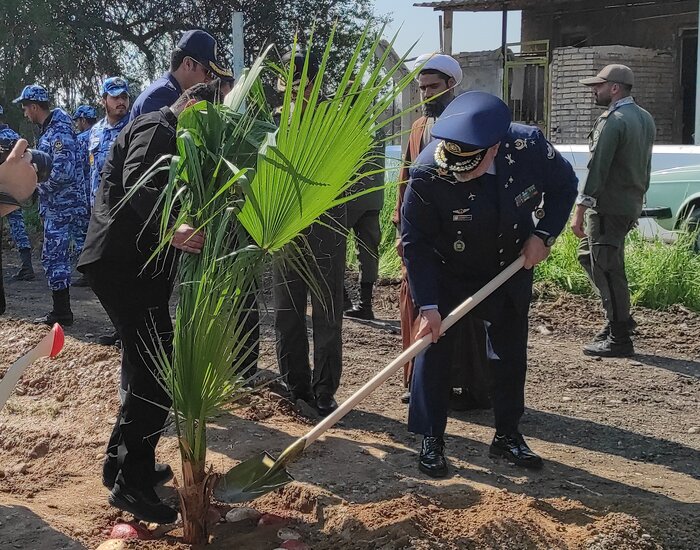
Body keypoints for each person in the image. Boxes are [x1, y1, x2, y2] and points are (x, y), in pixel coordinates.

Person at [401, 91, 577, 477]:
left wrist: (544, 235)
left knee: (510, 355)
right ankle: (432, 438)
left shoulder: (528, 147)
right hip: (450, 271)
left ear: (494, 148)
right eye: (455, 165)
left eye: (469, 166)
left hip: (509, 266)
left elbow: (565, 186)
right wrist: (427, 306)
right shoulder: (429, 171)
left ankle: (508, 435)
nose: (459, 174)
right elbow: (416, 243)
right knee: (433, 350)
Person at [77, 82, 219, 523]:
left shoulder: (165, 132)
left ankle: (119, 464)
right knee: (156, 371)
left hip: (131, 267)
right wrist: (171, 229)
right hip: (122, 264)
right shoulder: (159, 126)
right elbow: (137, 179)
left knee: (146, 365)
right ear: (194, 108)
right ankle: (132, 486)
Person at [394, 53, 489, 409]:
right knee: (414, 304)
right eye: (421, 88)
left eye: (433, 87)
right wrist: (401, 229)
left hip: (458, 235)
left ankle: (464, 386)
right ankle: (418, 380)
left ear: (452, 85)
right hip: (420, 234)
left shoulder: (467, 124)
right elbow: (405, 178)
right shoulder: (418, 127)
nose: (426, 94)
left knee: (460, 311)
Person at [272, 49, 347, 417]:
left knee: (326, 312)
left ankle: (324, 388)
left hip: (326, 224)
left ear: (315, 83)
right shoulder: (273, 121)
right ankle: (294, 384)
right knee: (286, 312)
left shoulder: (333, 119)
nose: (294, 93)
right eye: (287, 85)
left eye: (301, 85)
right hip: (285, 227)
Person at [573, 65, 655, 358]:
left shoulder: (613, 120)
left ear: (615, 88)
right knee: (589, 256)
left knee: (607, 268)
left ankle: (619, 334)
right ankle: (618, 315)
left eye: (599, 85)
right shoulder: (644, 118)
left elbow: (598, 168)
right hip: (628, 204)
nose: (594, 90)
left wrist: (580, 209)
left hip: (607, 207)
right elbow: (644, 167)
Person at [14, 84, 85, 326]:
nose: (25, 114)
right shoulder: (53, 131)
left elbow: (63, 173)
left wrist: (35, 186)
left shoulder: (58, 133)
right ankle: (61, 311)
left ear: (34, 107)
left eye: (25, 109)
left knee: (60, 259)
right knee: (59, 259)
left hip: (64, 207)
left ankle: (64, 313)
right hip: (60, 207)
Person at [131, 29, 232, 119]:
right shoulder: (163, 93)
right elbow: (153, 136)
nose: (208, 79)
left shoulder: (168, 89)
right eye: (207, 72)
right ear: (188, 64)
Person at [343, 140, 384, 320]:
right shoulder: (377, 130)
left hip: (347, 198)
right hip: (374, 198)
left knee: (333, 249)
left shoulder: (344, 123)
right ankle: (365, 305)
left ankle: (342, 300)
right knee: (369, 251)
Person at [0, 118, 35, 281]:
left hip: (6, 189)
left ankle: (27, 268)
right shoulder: (12, 135)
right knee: (17, 226)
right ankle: (27, 266)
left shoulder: (6, 136)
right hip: (12, 189)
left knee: (17, 226)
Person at [70, 104, 97, 286]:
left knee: (82, 235)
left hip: (82, 195)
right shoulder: (102, 134)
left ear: (83, 120)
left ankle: (88, 273)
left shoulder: (79, 140)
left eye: (78, 121)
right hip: (99, 194)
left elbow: (75, 168)